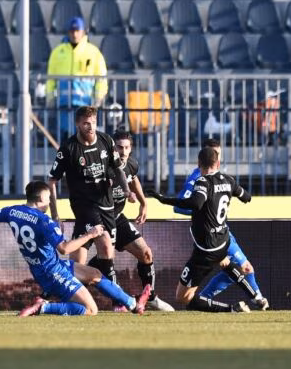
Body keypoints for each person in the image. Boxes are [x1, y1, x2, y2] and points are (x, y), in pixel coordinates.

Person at [0, 181, 151, 316]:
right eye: (48, 198)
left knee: (94, 274)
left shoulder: (13, 211)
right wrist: (91, 234)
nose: (50, 201)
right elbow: (65, 248)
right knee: (90, 309)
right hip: (53, 271)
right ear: (41, 199)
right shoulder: (44, 221)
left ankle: (132, 304)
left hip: (46, 267)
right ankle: (43, 307)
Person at [147, 147, 257, 313]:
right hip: (223, 241)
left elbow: (195, 203)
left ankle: (232, 309)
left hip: (206, 249)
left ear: (199, 164)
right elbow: (246, 197)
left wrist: (165, 200)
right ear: (218, 163)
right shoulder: (229, 180)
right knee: (225, 262)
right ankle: (255, 296)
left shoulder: (203, 182)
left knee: (183, 297)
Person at [174, 138, 269, 311]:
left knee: (245, 268)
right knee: (239, 267)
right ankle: (253, 301)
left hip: (223, 232)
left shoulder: (222, 177)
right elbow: (179, 206)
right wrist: (202, 211)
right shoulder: (196, 179)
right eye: (213, 153)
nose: (216, 156)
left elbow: (242, 195)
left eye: (218, 153)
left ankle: (258, 301)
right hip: (210, 235)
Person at [48, 106, 129, 305]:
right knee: (105, 244)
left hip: (106, 204)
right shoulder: (68, 149)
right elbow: (52, 181)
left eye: (93, 122)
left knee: (78, 261)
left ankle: (56, 294)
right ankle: (119, 301)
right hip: (84, 205)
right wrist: (55, 214)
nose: (90, 127)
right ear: (77, 124)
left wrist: (126, 190)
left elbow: (119, 169)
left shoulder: (106, 140)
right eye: (86, 123)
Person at [109, 129, 174, 311]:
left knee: (146, 253)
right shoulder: (105, 166)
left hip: (117, 217)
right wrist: (126, 193)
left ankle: (150, 297)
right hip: (100, 219)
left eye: (126, 148)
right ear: (113, 148)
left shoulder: (131, 164)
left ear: (131, 149)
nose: (123, 151)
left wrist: (143, 203)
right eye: (119, 147)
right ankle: (117, 302)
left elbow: (133, 178)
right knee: (101, 261)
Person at [45, 17, 108, 136]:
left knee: (83, 138)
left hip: (85, 104)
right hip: (64, 105)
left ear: (83, 31)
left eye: (77, 30)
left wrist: (98, 98)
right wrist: (50, 97)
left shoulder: (93, 52)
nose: (74, 34)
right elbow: (50, 78)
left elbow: (101, 78)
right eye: (72, 31)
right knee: (65, 138)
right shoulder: (57, 52)